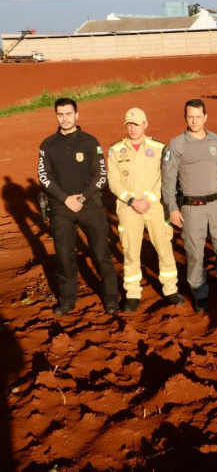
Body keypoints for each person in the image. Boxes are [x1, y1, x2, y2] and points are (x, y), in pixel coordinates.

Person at [38, 98, 120, 316]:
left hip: (90, 205)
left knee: (101, 253)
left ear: (77, 115)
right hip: (61, 208)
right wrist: (66, 199)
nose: (65, 118)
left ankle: (111, 298)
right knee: (64, 255)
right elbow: (44, 176)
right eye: (60, 114)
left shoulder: (90, 142)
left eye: (68, 114)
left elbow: (101, 176)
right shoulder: (48, 144)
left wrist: (82, 198)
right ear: (56, 116)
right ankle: (67, 300)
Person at [162, 99, 217, 313]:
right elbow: (168, 180)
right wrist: (173, 208)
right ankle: (200, 293)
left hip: (216, 205)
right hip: (191, 207)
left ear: (205, 117)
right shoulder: (177, 144)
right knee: (195, 252)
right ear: (185, 117)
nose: (194, 120)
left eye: (198, 116)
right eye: (190, 116)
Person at [107, 107, 183, 313]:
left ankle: (170, 289)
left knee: (164, 248)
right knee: (131, 252)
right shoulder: (115, 150)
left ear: (145, 124)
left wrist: (147, 199)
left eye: (137, 124)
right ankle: (132, 294)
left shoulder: (158, 147)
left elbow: (165, 177)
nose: (133, 128)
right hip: (128, 208)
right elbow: (113, 182)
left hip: (155, 207)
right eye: (129, 124)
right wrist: (132, 200)